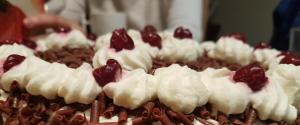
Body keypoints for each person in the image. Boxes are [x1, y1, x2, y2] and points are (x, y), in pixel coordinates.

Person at [23, 0, 205, 41]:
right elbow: (67, 20)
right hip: (96, 74)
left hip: (159, 74)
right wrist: (61, 28)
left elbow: (188, 34)